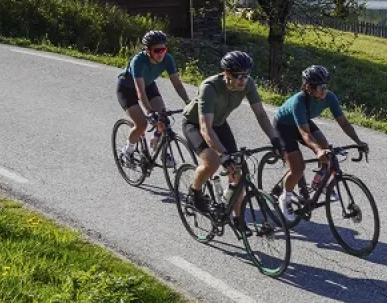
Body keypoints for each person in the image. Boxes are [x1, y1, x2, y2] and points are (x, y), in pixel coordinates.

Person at [181, 50, 284, 219]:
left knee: (237, 170)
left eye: (246, 75)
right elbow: (205, 128)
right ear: (226, 73)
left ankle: (237, 218)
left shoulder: (248, 84)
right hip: (195, 124)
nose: (243, 80)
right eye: (238, 76)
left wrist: (275, 139)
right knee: (212, 162)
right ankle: (195, 193)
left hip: (219, 123)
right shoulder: (210, 87)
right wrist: (223, 155)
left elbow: (261, 114)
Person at [274, 64, 369, 215]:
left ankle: (320, 184)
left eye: (325, 86)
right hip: (284, 126)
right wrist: (317, 150)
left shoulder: (329, 97)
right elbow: (305, 134)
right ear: (308, 88)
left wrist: (358, 142)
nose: (324, 90)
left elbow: (343, 122)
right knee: (298, 169)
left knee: (326, 148)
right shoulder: (299, 101)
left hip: (303, 122)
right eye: (320, 87)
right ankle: (285, 197)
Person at [117, 30, 190, 167]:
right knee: (142, 124)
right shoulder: (138, 61)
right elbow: (140, 90)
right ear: (148, 50)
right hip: (127, 88)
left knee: (163, 118)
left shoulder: (168, 59)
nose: (161, 53)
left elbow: (178, 84)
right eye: (157, 50)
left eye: (163, 49)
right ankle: (128, 150)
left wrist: (188, 102)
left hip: (149, 86)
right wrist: (150, 112)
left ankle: (160, 148)